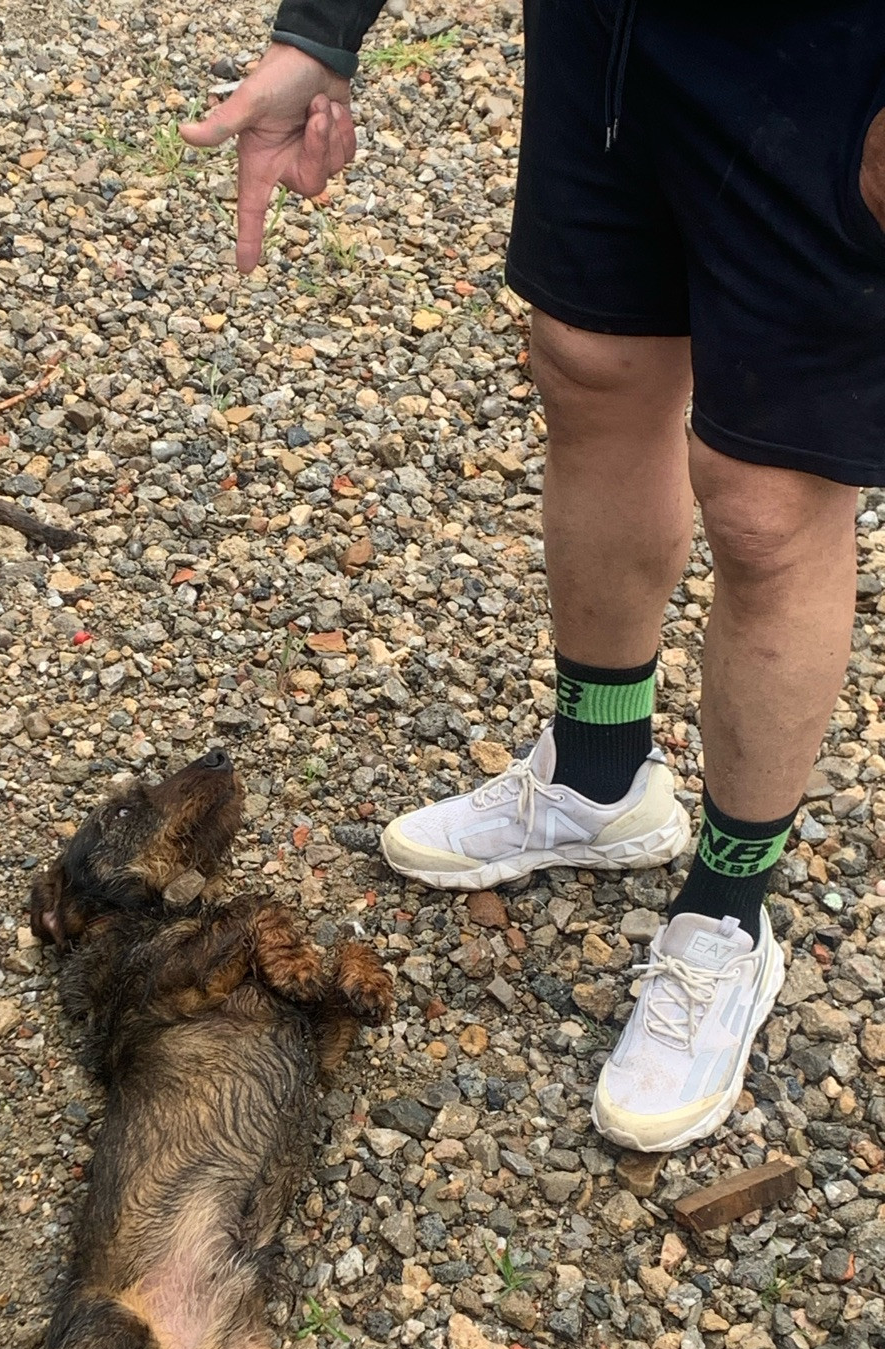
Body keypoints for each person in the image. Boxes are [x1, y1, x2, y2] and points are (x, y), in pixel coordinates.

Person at [181, 1, 885, 1153]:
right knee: (591, 365)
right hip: (610, 30)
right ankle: (600, 777)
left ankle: (728, 910)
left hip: (836, 58)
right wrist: (320, 31)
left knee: (772, 501)